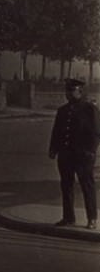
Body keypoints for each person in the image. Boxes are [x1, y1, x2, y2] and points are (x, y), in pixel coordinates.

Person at [48, 78, 99, 229]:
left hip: (83, 155)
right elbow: (57, 131)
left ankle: (92, 219)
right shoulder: (62, 110)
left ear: (80, 91)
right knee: (66, 185)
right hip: (65, 155)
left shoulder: (90, 109)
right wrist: (53, 149)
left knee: (87, 186)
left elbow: (96, 132)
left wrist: (91, 151)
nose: (68, 94)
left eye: (71, 91)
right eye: (66, 91)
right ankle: (68, 217)